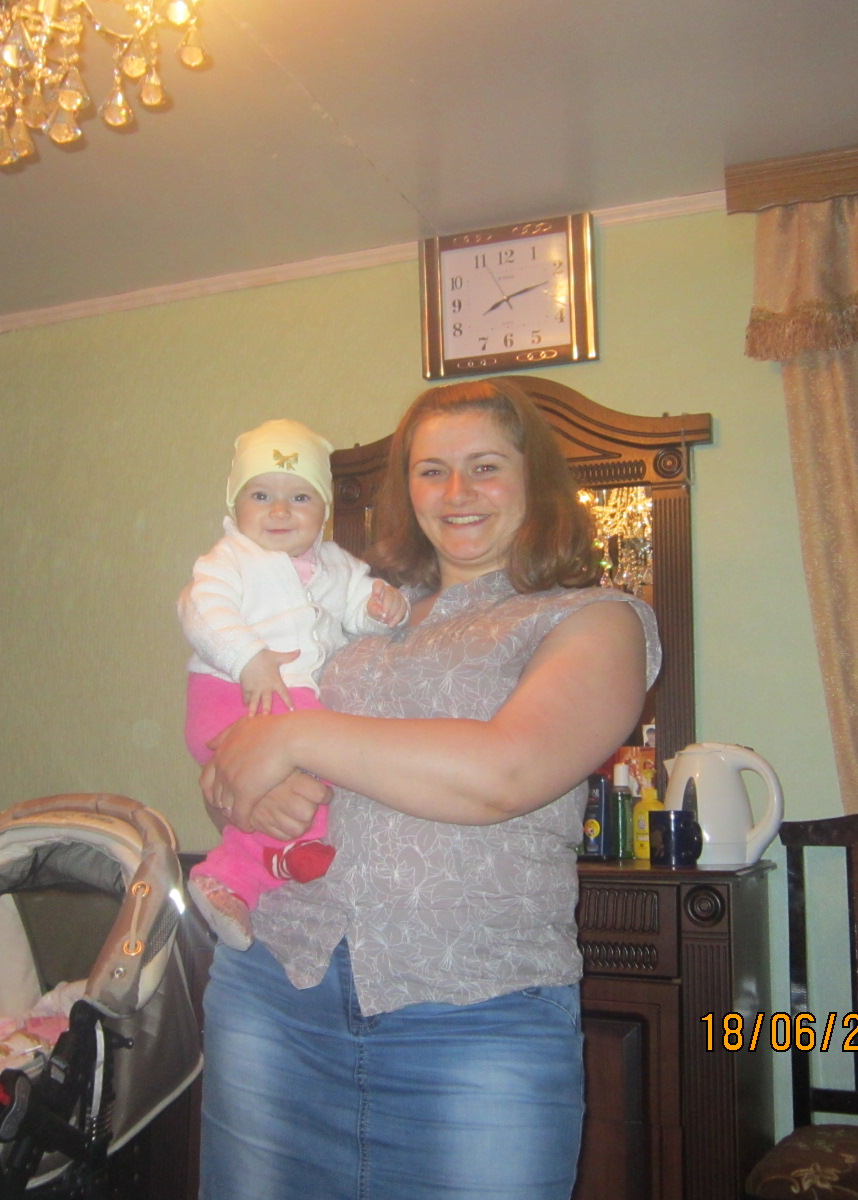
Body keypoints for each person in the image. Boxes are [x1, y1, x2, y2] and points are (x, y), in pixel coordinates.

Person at [196, 378, 661, 1200]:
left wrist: (295, 739)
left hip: (477, 1012)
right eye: (431, 471)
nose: (456, 493)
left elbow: (504, 773)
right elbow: (235, 752)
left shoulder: (592, 619)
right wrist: (245, 791)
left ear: (534, 479)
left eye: (485, 467)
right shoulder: (356, 614)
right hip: (279, 989)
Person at [180, 417, 408, 950]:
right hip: (230, 695)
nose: (280, 511)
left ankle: (252, 872)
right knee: (329, 746)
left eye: (300, 497)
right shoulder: (229, 559)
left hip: (285, 705)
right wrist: (249, 659)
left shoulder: (336, 565)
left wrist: (383, 609)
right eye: (261, 495)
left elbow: (359, 606)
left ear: (324, 511)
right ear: (236, 505)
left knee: (312, 779)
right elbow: (201, 612)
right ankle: (249, 864)